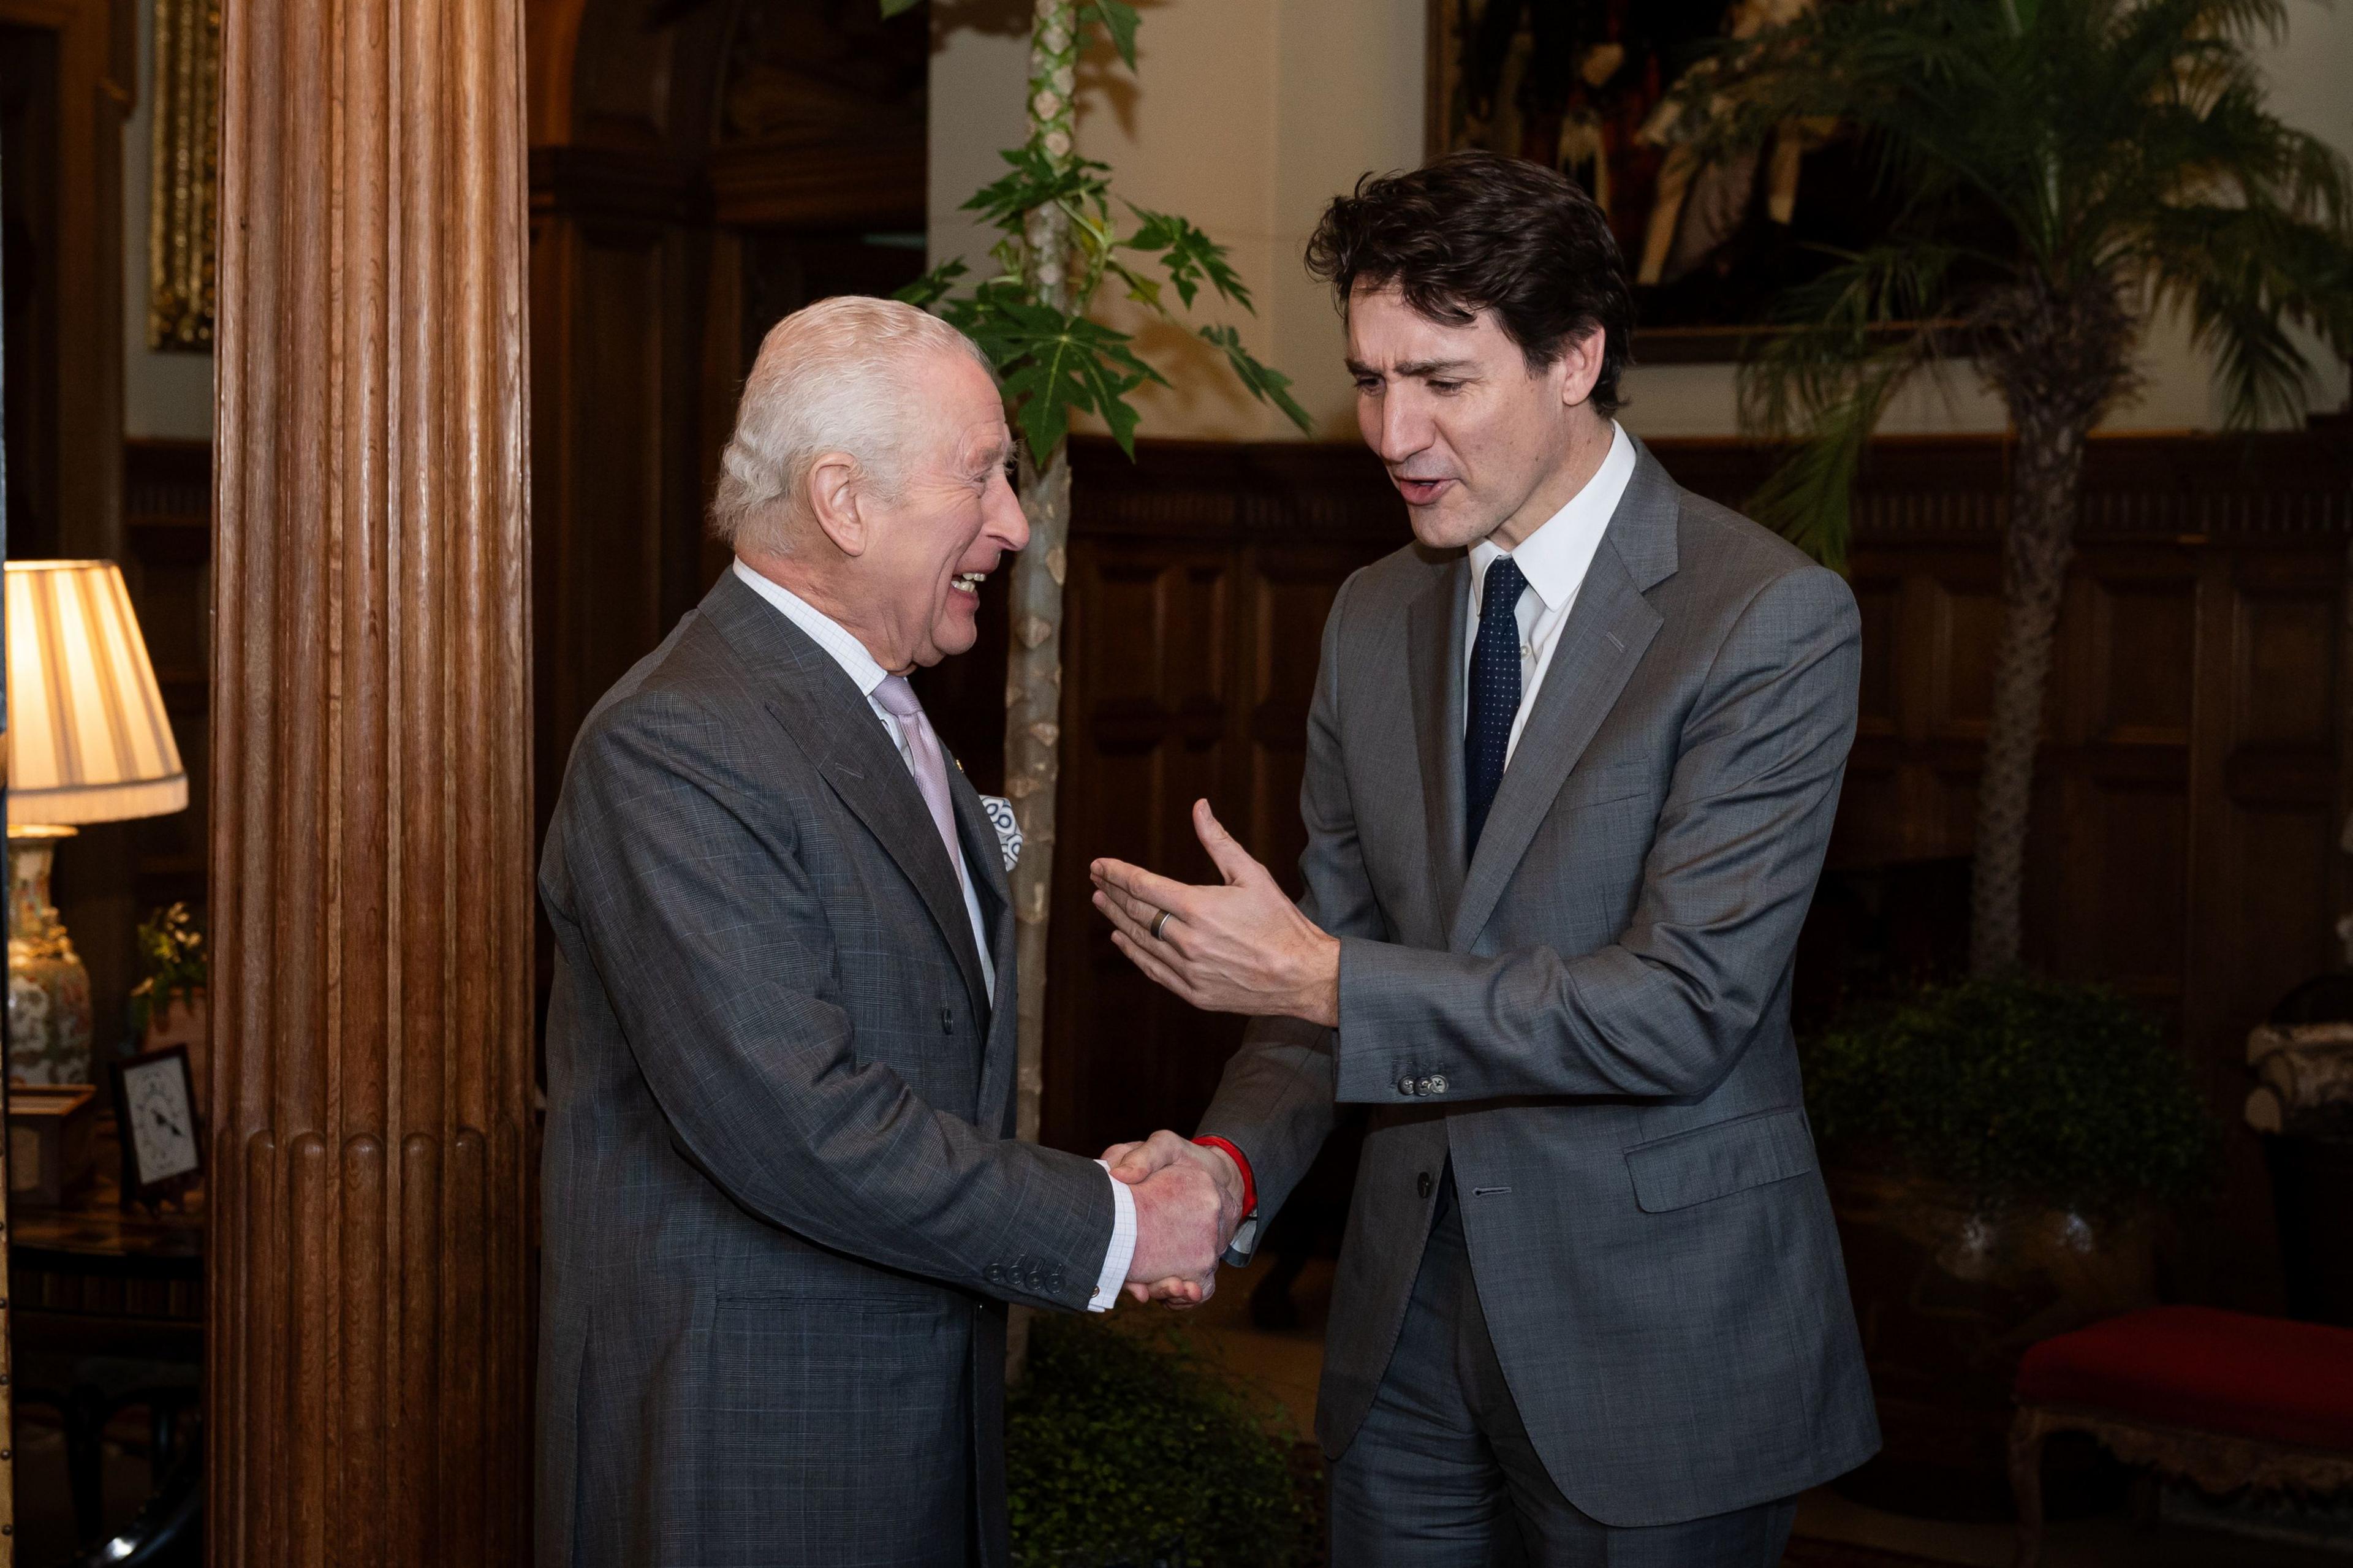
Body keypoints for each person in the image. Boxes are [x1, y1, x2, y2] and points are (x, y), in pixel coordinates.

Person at [1090, 151, 1880, 1566]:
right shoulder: (1371, 612)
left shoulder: (1766, 617)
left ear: (1575, 358)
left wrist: (1326, 980)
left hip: (1658, 1339)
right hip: (1399, 1327)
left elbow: (1683, 1003)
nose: (1393, 431)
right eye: (1370, 376)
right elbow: (1317, 967)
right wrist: (1223, 1170)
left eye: (1443, 380)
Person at [536, 296, 1232, 1568]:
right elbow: (799, 1119)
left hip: (906, 1421)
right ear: (844, 501)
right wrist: (1117, 1224)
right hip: (750, 1454)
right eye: (983, 475)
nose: (1014, 523)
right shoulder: (676, 745)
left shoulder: (879, 707)